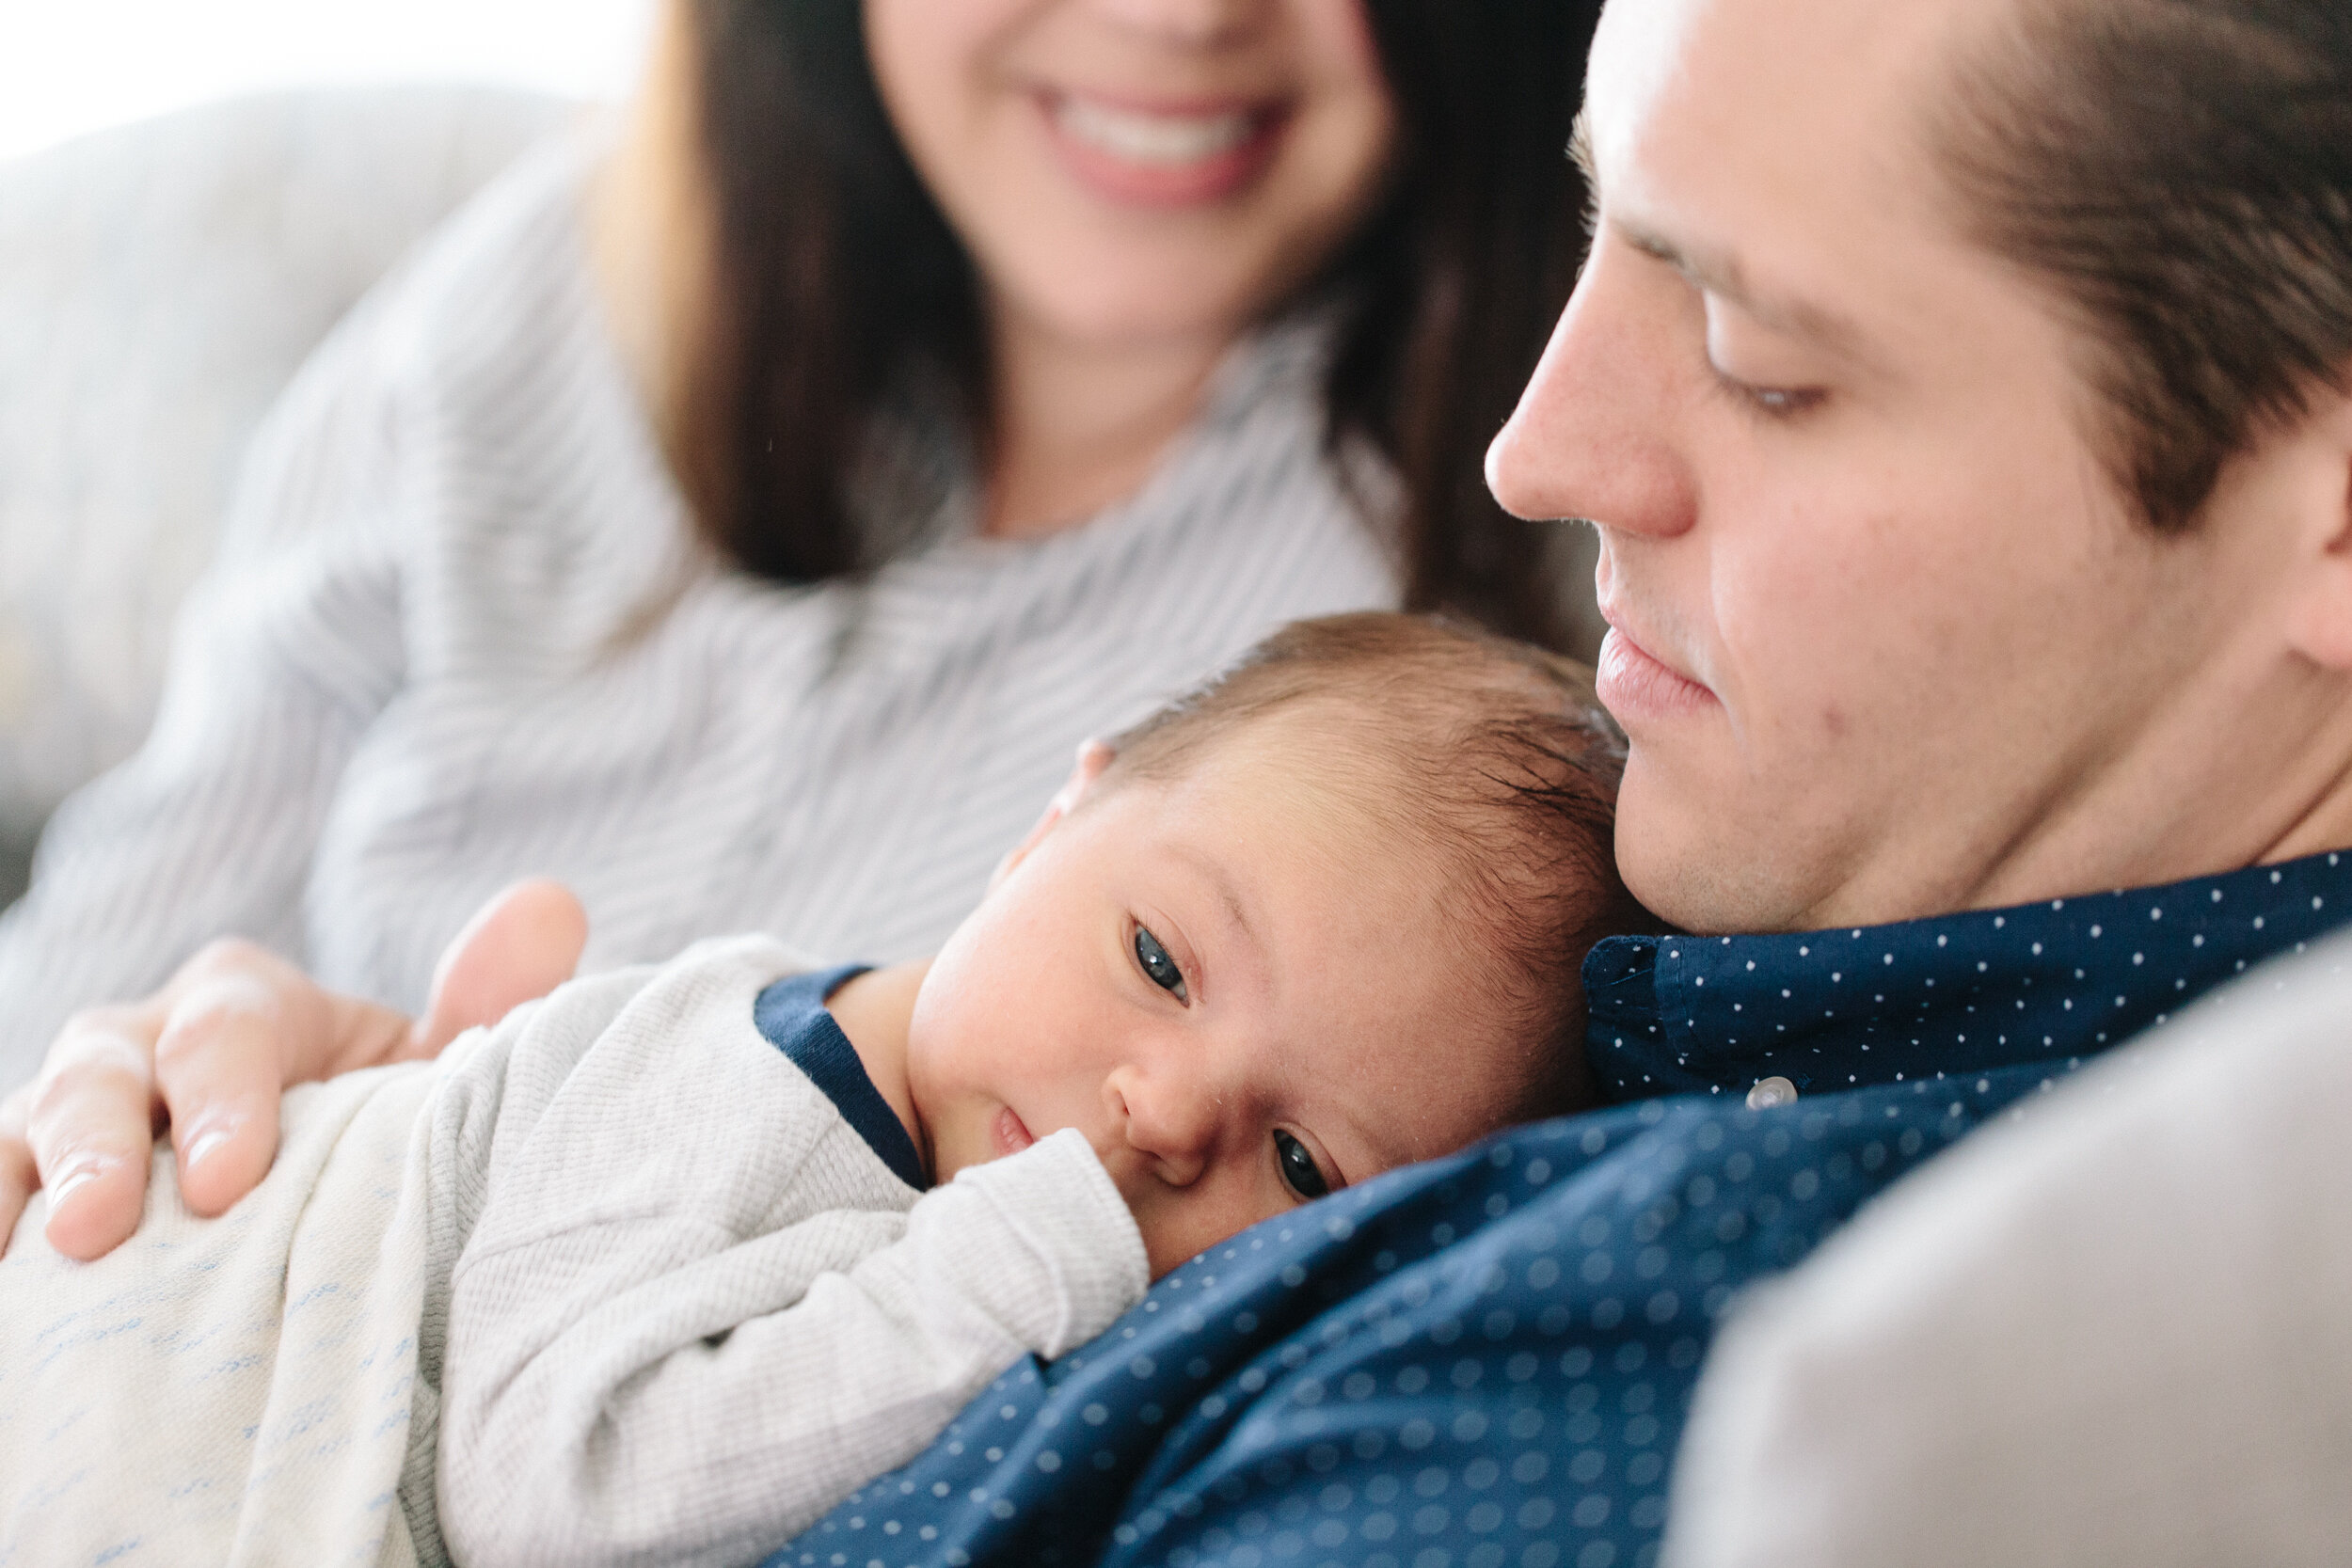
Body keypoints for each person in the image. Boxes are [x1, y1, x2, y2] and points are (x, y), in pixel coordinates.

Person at [10, 0, 2351, 1561]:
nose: (1550, 453)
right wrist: (324, 1148)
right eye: (1598, 232)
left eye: (1754, 354)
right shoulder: (1791, 812)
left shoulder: (1719, 1256)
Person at [0, 0, 1602, 1241]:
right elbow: (83, 982)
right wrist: (148, 1095)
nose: (1181, 16)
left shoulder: (1534, 654)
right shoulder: (537, 303)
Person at [0, 614, 1636, 1568]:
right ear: (1052, 826)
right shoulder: (762, 1086)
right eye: (1156, 958)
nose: (1162, 1113)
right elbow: (556, 1496)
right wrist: (1024, 1256)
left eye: (1299, 1158)